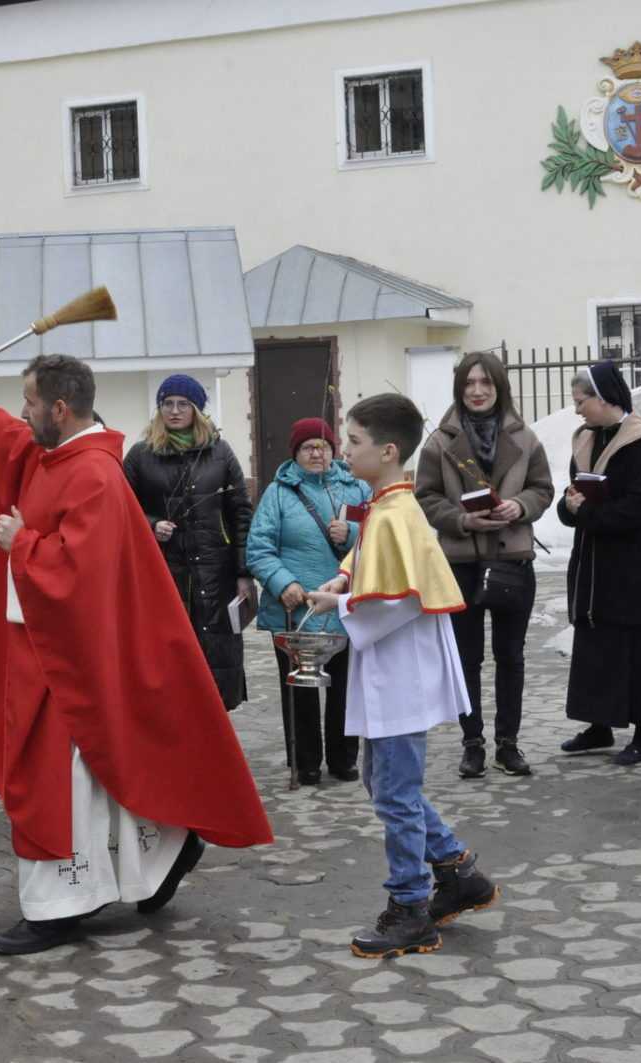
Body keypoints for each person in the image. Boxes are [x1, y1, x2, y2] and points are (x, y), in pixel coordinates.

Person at [0, 354, 272, 955]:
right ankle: (167, 847)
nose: (23, 412)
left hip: (71, 660)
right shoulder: (53, 453)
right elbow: (8, 439)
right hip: (47, 646)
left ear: (60, 409)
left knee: (60, 782)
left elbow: (81, 573)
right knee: (92, 779)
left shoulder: (93, 473)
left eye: (31, 402)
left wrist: (22, 542)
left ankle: (59, 908)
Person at [306, 394, 498, 959]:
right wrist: (345, 579)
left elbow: (395, 602)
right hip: (393, 669)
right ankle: (457, 871)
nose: (345, 448)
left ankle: (411, 908)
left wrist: (340, 607)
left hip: (399, 671)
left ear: (388, 451)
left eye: (355, 441)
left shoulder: (395, 513)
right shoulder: (387, 505)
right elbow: (370, 562)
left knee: (393, 793)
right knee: (387, 786)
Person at [416, 352, 555, 779]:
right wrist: (461, 519)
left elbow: (543, 488)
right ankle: (472, 743)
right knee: (467, 659)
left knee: (510, 656)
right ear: (459, 388)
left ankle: (508, 745)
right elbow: (425, 497)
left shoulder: (525, 438)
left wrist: (520, 505)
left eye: (486, 384)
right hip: (461, 564)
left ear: (499, 388)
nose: (478, 391)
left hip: (511, 558)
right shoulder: (439, 442)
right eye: (470, 384)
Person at [557, 362, 641, 765]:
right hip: (596, 567)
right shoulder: (584, 440)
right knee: (597, 648)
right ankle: (599, 726)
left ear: (604, 398)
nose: (578, 409)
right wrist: (570, 506)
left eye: (582, 401)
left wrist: (587, 515)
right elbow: (572, 498)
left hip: (638, 569)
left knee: (639, 652)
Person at [246, 417, 371, 783]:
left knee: (345, 685)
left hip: (344, 603)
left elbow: (377, 538)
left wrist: (350, 533)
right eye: (307, 447)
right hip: (295, 607)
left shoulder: (358, 488)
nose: (316, 453)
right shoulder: (279, 493)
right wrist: (282, 582)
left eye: (323, 446)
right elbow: (259, 548)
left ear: (334, 450)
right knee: (299, 689)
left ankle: (344, 757)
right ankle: (306, 761)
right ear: (295, 453)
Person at [123, 374, 252, 711]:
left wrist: (243, 572)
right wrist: (152, 525)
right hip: (163, 572)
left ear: (197, 410)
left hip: (215, 574)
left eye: (183, 404)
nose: (175, 411)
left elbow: (240, 512)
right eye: (168, 404)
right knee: (169, 662)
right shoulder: (140, 455)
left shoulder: (219, 452)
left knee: (214, 662)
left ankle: (215, 746)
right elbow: (121, 508)